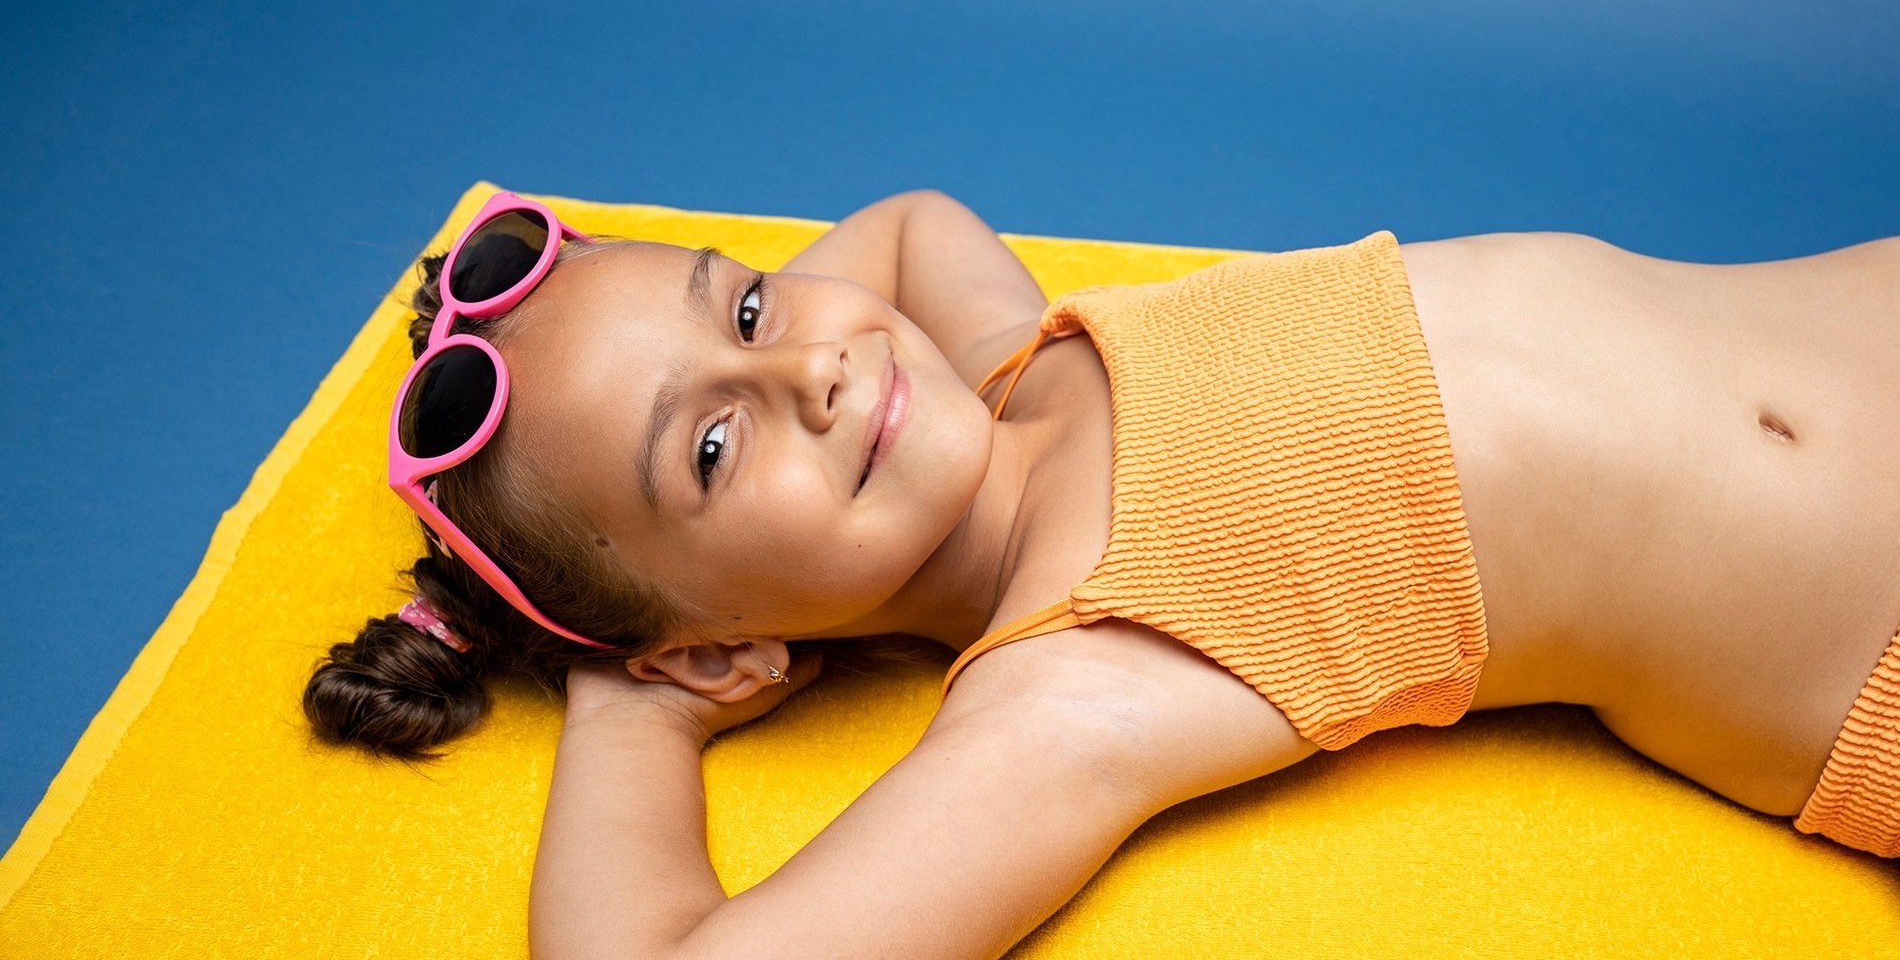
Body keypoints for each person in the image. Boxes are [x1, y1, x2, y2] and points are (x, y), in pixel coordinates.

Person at [305, 188, 1900, 957]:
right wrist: (633, 703)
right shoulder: (1072, 678)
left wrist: (725, 363)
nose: (815, 379)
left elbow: (908, 226)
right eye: (712, 455)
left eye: (744, 310)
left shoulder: (1017, 367)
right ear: (712, 642)